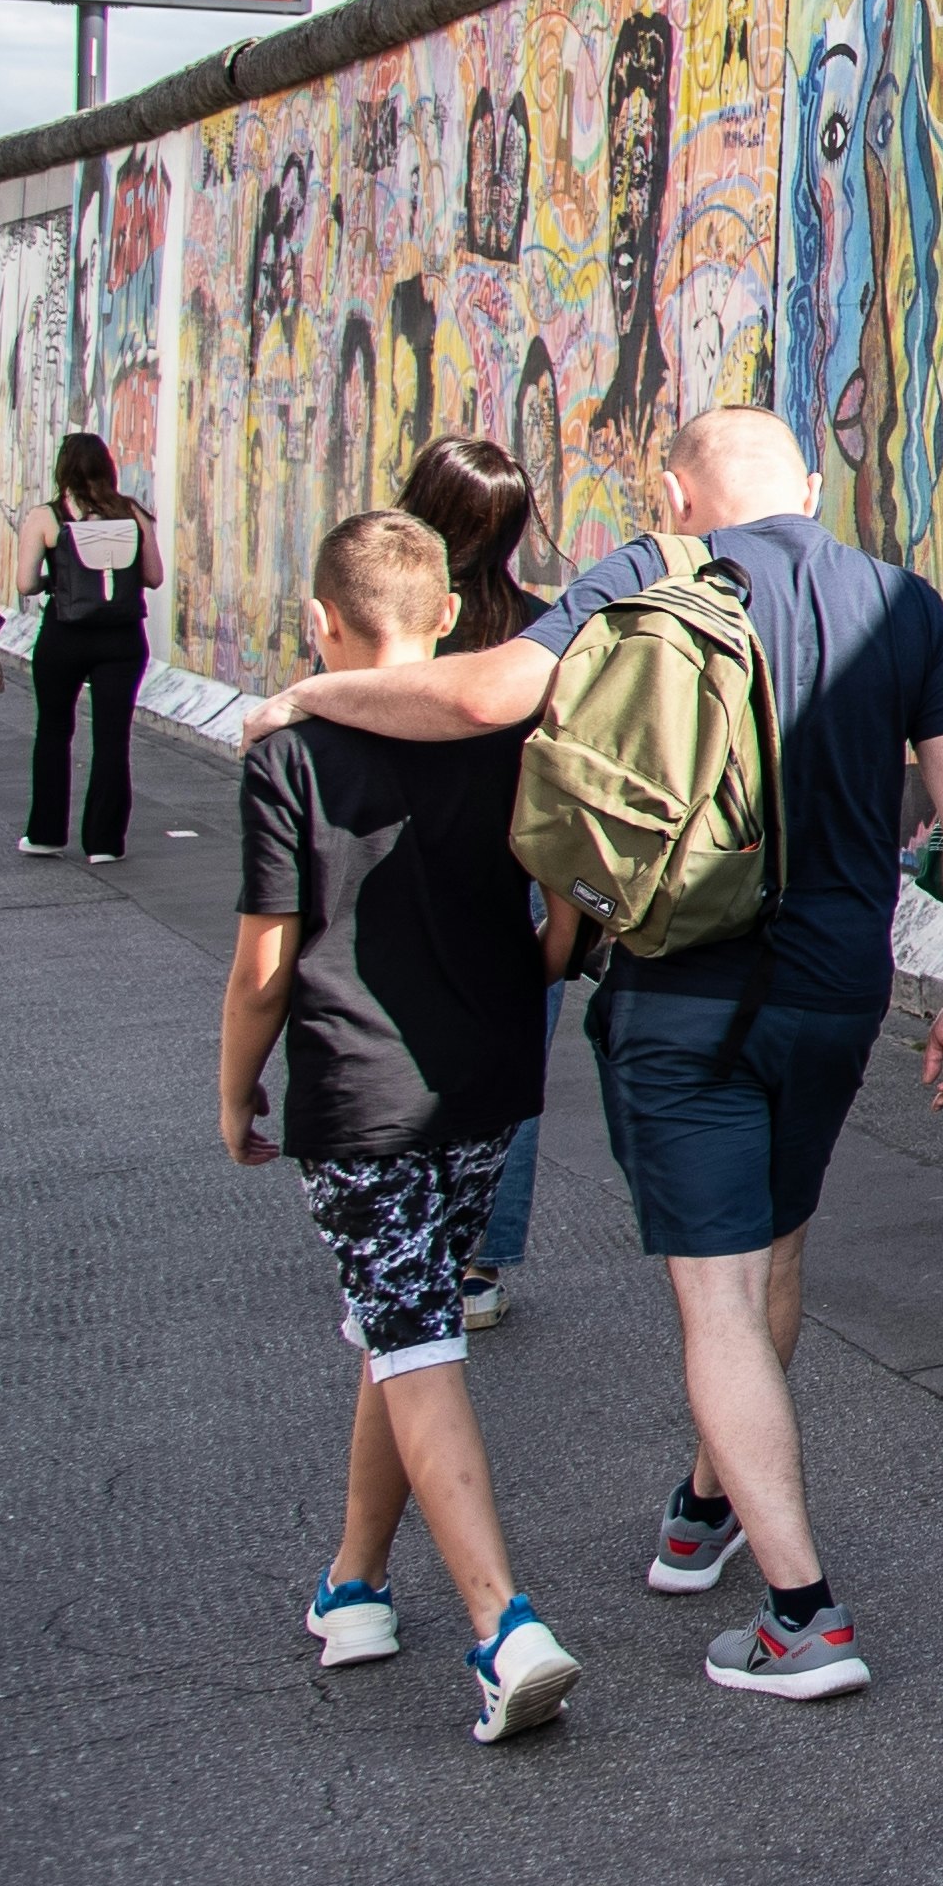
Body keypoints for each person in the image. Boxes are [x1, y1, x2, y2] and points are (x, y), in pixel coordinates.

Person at [254, 405, 943, 1705]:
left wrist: (316, 692)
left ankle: (804, 1614)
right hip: (835, 991)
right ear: (810, 484)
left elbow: (492, 692)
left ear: (678, 488)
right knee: (772, 1250)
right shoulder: (903, 604)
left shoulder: (651, 572)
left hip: (680, 988)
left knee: (714, 1293)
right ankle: (710, 1501)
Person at [217, 511, 580, 1746]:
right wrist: (539, 965)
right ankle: (356, 1583)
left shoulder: (290, 751)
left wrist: (234, 1087)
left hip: (359, 1088)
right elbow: (563, 899)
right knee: (404, 1311)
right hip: (485, 1074)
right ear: (444, 617)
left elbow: (267, 962)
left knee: (414, 1330)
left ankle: (502, 1623)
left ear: (321, 623)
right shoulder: (502, 731)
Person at [396, 435, 553, 1328]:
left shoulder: (395, 630)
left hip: (407, 866)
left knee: (401, 1042)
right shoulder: (542, 628)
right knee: (511, 1066)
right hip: (521, 870)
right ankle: (479, 1265)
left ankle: (410, 1235)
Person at [1, 430, 158, 864]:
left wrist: (61, 579)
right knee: (112, 738)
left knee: (53, 731)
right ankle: (105, 843)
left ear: (63, 470)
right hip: (123, 639)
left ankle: (46, 834)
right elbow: (154, 576)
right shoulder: (133, 514)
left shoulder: (47, 517)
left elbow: (26, 584)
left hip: (64, 636)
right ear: (107, 467)